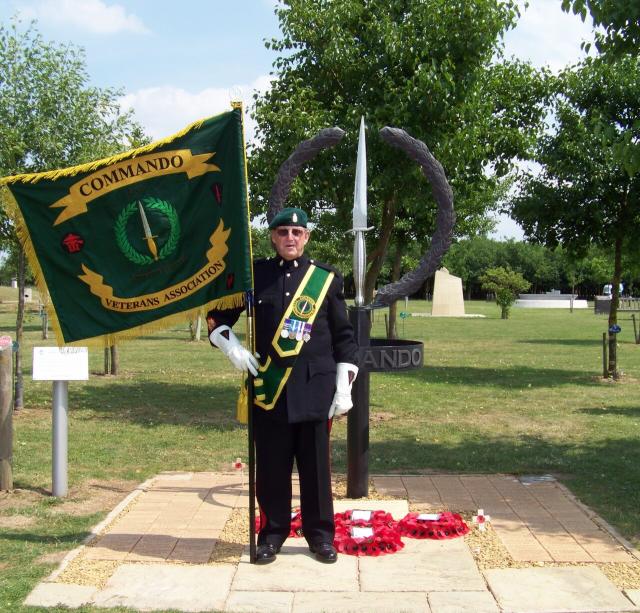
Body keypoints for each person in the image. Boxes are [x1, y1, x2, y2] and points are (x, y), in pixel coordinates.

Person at [207, 207, 359, 564]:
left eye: (296, 232)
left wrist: (344, 385)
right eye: (282, 232)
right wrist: (232, 346)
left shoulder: (327, 279)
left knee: (316, 469)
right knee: (272, 468)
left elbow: (345, 337)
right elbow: (217, 317)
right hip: (269, 389)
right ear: (272, 238)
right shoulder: (254, 276)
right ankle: (272, 534)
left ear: (306, 237)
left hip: (315, 389)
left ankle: (320, 537)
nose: (289, 238)